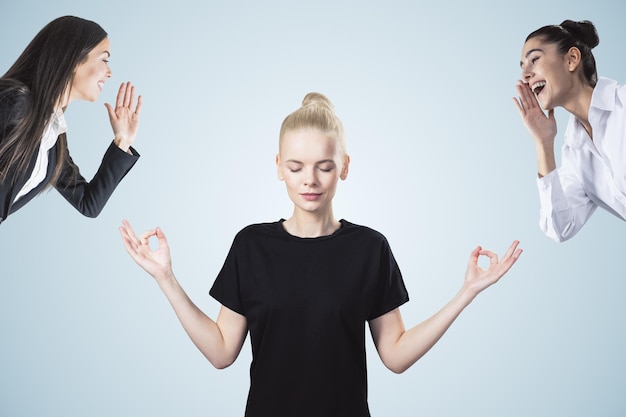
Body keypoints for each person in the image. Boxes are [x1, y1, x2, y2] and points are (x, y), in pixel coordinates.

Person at [120, 92, 522, 417]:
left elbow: (395, 355)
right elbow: (223, 351)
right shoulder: (251, 246)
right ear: (279, 167)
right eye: (295, 167)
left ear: (344, 167)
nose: (309, 180)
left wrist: (466, 293)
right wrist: (166, 279)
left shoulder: (369, 248)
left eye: (324, 167)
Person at [0, 16, 142, 225]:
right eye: (104, 59)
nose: (110, 73)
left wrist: (122, 141)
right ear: (74, 58)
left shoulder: (53, 138)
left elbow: (88, 203)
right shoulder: (14, 100)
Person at [513, 19, 626, 242]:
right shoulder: (574, 151)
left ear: (572, 59)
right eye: (522, 67)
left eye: (534, 59)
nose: (525, 74)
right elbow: (560, 227)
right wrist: (543, 144)